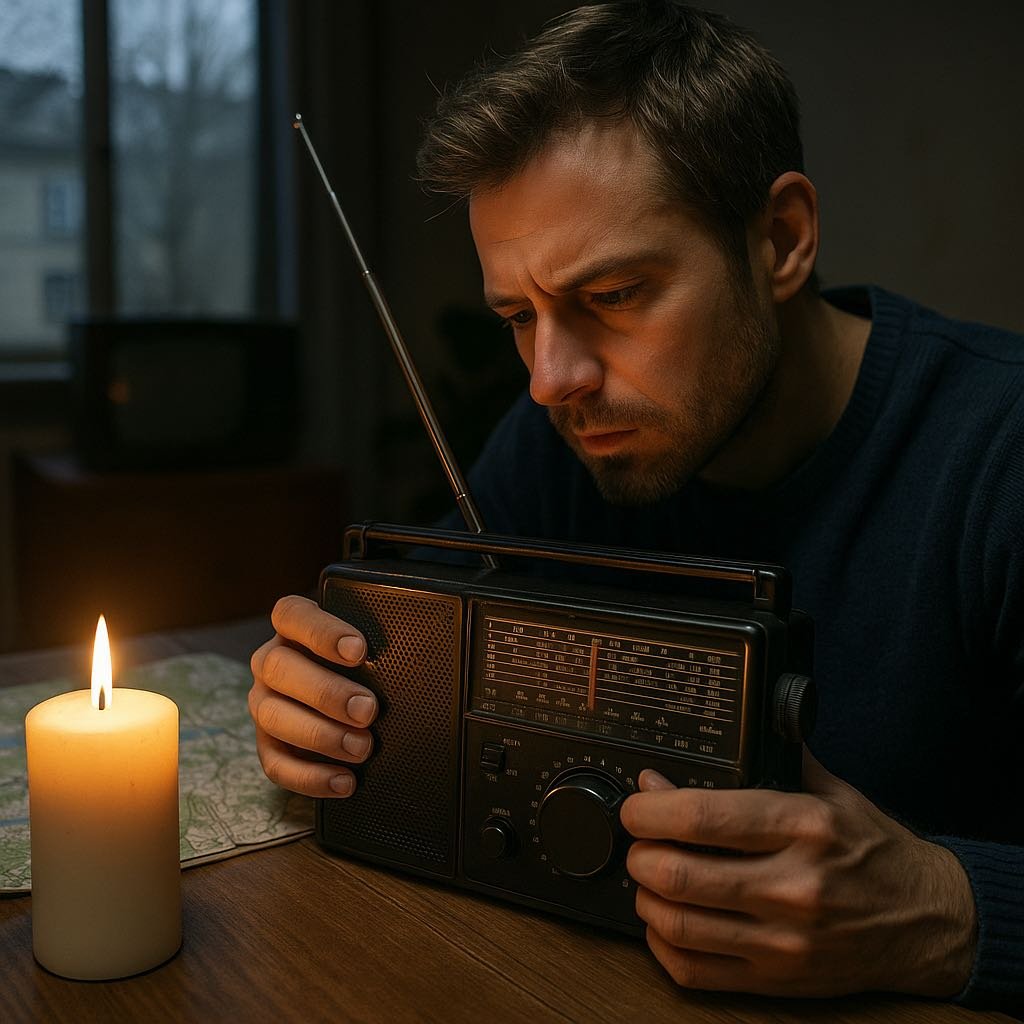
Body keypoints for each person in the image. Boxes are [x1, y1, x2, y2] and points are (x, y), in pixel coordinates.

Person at [248, 1, 1023, 1013]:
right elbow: (410, 618)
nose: (550, 379)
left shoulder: (998, 457)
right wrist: (327, 686)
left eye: (612, 295)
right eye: (517, 315)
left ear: (781, 240)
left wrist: (947, 908)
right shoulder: (567, 435)